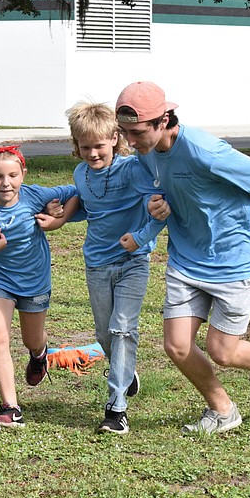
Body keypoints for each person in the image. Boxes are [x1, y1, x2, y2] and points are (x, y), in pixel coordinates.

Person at [114, 81, 250, 434]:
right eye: (124, 133)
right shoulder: (146, 152)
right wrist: (155, 201)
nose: (130, 142)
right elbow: (157, 183)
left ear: (163, 121)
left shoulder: (203, 150)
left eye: (135, 133)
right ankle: (223, 409)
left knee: (223, 352)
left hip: (233, 258)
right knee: (177, 346)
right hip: (185, 257)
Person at [41, 101, 167, 434]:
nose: (93, 153)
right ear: (76, 147)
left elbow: (155, 208)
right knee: (104, 334)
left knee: (123, 328)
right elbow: (92, 207)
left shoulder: (131, 169)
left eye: (99, 145)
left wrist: (139, 238)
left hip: (132, 262)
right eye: (85, 147)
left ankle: (116, 409)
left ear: (114, 138)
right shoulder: (80, 174)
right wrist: (61, 212)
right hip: (96, 263)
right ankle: (125, 371)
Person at [0, 145, 76, 428]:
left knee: (32, 340)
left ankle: (39, 354)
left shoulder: (35, 195)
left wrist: (57, 217)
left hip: (34, 281)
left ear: (23, 174)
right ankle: (10, 407)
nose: (5, 183)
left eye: (12, 175)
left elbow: (75, 192)